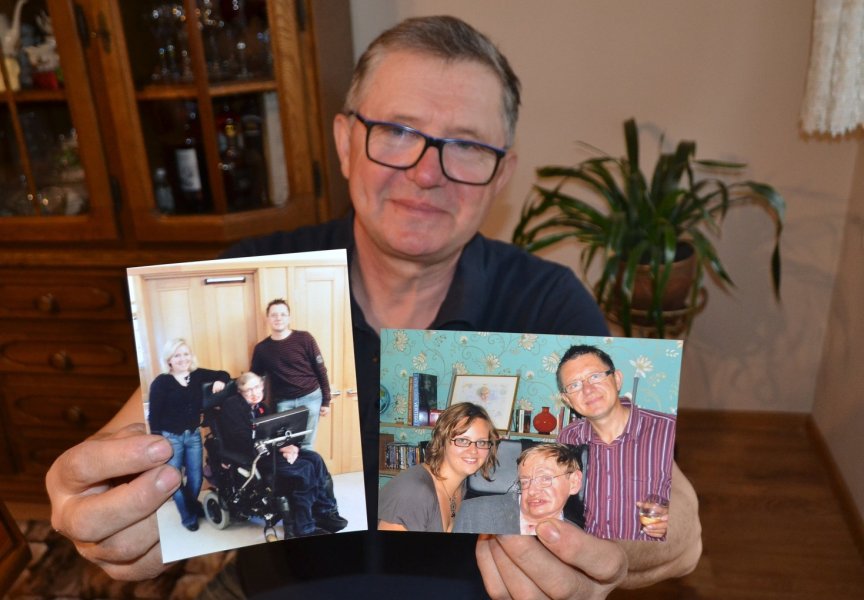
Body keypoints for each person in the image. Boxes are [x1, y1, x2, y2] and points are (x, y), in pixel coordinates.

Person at [45, 15, 701, 598]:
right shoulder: (259, 273)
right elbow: (124, 444)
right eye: (396, 130)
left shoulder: (546, 302)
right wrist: (98, 502)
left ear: (501, 174)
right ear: (344, 140)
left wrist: (634, 552)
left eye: (467, 145)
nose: (426, 171)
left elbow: (670, 520)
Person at [556, 344, 674, 541]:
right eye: (574, 385)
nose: (588, 389)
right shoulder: (567, 438)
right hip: (588, 554)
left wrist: (675, 520)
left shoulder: (670, 431)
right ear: (567, 400)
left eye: (595, 376)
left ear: (617, 379)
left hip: (648, 555)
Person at [212, 371, 347, 537]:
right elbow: (241, 438)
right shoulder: (232, 406)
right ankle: (304, 527)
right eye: (249, 390)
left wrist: (291, 446)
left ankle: (324, 512)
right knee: (304, 469)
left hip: (269, 450)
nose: (254, 393)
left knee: (315, 459)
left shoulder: (263, 407)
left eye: (257, 387)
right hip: (252, 455)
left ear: (262, 386)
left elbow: (277, 431)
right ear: (240, 392)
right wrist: (280, 447)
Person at [146, 338, 230, 532]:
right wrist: (158, 441)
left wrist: (221, 380)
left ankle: (190, 505)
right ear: (169, 360)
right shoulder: (161, 382)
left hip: (193, 435)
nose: (183, 359)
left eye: (185, 354)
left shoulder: (197, 375)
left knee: (196, 478)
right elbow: (154, 416)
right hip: (170, 437)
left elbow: (223, 373)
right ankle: (188, 516)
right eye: (177, 355)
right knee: (174, 478)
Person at [379, 402, 499, 532]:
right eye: (463, 440)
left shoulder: (463, 487)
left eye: (481, 442)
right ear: (442, 441)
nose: (473, 450)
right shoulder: (414, 493)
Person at [250, 298, 331, 449]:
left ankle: (306, 465)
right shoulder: (262, 348)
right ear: (267, 318)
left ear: (289, 318)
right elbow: (254, 378)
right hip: (283, 403)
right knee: (285, 446)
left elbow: (321, 369)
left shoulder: (305, 338)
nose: (278, 318)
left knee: (306, 445)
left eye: (283, 314)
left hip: (311, 398)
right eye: (274, 315)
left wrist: (326, 400)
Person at [454, 442, 583, 535]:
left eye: (544, 479)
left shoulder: (576, 537)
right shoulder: (473, 514)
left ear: (574, 482)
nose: (532, 491)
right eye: (525, 481)